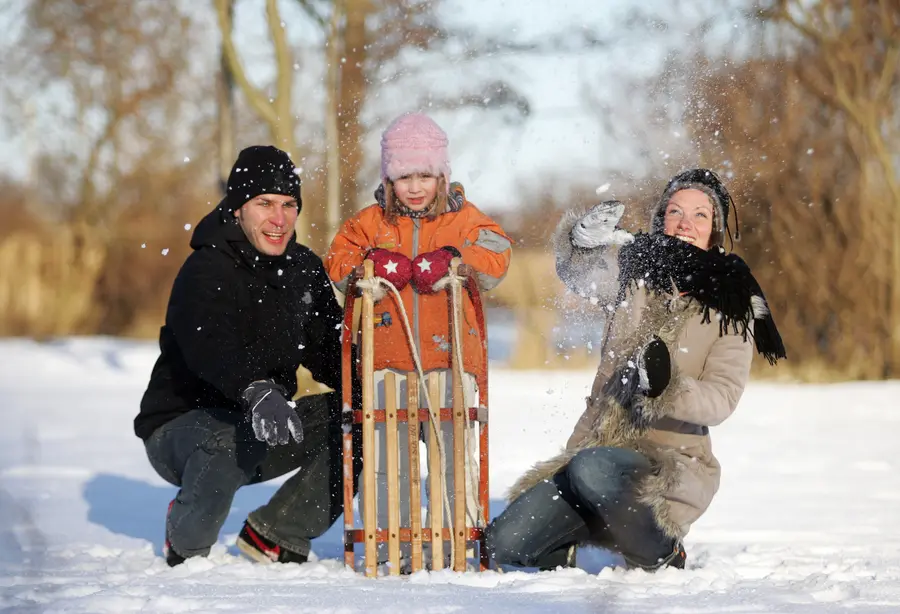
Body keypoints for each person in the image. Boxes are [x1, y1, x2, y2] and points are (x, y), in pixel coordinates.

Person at [485, 168, 786, 571]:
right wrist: (580, 245)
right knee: (503, 544)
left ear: (715, 228)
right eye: (676, 211)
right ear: (661, 217)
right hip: (592, 448)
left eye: (700, 215)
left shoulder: (732, 304)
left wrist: (667, 388)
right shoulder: (637, 272)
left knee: (595, 468)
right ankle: (567, 547)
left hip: (667, 464)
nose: (685, 223)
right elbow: (581, 277)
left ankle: (660, 550)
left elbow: (722, 399)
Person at [134, 145, 345, 567]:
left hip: (264, 422)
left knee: (358, 420)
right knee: (226, 440)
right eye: (264, 203)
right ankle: (185, 540)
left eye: (289, 205)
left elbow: (329, 350)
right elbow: (209, 346)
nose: (279, 218)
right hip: (181, 428)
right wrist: (256, 387)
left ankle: (278, 530)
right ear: (237, 208)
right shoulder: (205, 269)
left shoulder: (303, 269)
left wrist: (375, 386)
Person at [325, 112, 512, 567]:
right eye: (404, 175)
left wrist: (457, 258)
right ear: (389, 178)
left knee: (452, 459)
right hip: (387, 358)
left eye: (424, 175)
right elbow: (337, 261)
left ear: (441, 175)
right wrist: (369, 264)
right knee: (391, 463)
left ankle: (455, 542)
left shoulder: (464, 220)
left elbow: (499, 253)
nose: (414, 186)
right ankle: (396, 542)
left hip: (450, 358)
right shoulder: (369, 223)